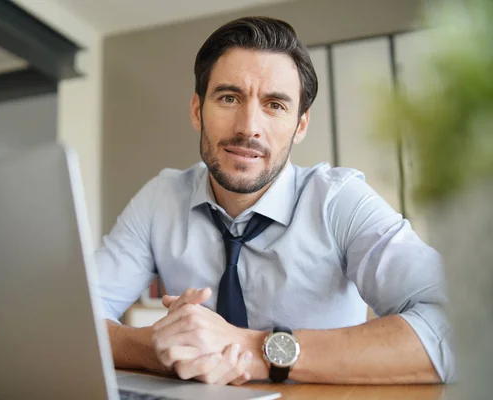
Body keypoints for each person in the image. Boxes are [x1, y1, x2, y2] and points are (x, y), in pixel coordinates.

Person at [94, 16, 454, 385]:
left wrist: (254, 349)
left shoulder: (340, 201)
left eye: (275, 105)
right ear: (197, 110)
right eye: (229, 97)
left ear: (300, 125)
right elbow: (77, 318)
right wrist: (162, 347)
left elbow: (460, 325)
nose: (248, 126)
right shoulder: (159, 198)